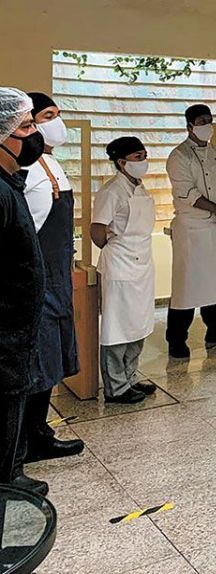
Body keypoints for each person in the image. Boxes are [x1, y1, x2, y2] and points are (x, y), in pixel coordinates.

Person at [17, 92, 84, 465]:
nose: (56, 123)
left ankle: (40, 433)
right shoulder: (23, 172)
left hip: (57, 276)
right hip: (36, 280)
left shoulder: (54, 164)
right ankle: (24, 442)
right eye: (46, 116)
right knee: (35, 363)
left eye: (58, 114)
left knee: (51, 360)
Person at [165, 104, 216, 359]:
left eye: (209, 121)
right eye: (201, 122)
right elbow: (187, 193)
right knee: (186, 286)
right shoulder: (179, 157)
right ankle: (177, 339)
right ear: (190, 126)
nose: (207, 126)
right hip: (191, 228)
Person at [0, 87, 48, 495]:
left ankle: (11, 471)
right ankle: (6, 483)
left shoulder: (10, 184)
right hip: (4, 330)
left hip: (16, 328)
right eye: (27, 126)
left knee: (13, 401)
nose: (36, 135)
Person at [91, 137, 156, 405]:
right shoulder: (111, 191)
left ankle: (130, 378)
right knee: (117, 328)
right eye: (138, 157)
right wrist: (117, 248)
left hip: (142, 265)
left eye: (144, 155)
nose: (144, 161)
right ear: (121, 162)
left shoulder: (139, 187)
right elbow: (97, 231)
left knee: (138, 324)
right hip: (120, 265)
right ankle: (115, 388)